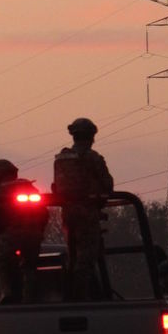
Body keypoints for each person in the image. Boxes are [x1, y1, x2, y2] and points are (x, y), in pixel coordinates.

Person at [52, 118, 114, 300]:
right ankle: (80, 297)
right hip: (87, 213)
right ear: (91, 136)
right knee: (86, 258)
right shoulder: (93, 158)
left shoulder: (61, 158)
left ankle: (70, 294)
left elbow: (56, 186)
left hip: (68, 214)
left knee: (72, 256)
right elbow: (107, 185)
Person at [0, 159, 49, 304]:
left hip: (10, 236)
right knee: (29, 267)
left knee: (0, 263)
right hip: (34, 235)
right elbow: (44, 213)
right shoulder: (30, 188)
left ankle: (6, 292)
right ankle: (30, 297)